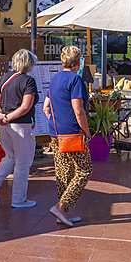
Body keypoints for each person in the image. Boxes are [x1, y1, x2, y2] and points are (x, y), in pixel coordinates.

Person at [43, 45, 92, 227]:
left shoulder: (54, 79)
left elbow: (46, 108)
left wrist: (57, 122)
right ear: (78, 62)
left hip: (55, 133)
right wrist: (86, 132)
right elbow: (78, 110)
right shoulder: (76, 80)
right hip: (73, 133)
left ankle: (62, 213)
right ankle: (60, 206)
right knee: (83, 171)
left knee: (63, 173)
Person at [0, 49, 39, 209]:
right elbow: (25, 106)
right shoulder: (28, 81)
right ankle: (19, 199)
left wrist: (1, 114)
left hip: (4, 125)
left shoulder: (5, 78)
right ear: (29, 64)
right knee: (23, 162)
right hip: (21, 125)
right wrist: (7, 117)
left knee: (10, 157)